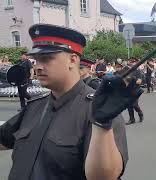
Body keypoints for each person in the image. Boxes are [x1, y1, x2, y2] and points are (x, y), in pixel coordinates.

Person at [0, 24, 135, 180]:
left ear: (72, 60)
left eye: (46, 58)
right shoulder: (34, 106)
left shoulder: (99, 110)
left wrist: (102, 125)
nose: (37, 67)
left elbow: (105, 176)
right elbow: (3, 139)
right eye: (36, 60)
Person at [125, 59, 144, 125]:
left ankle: (140, 113)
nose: (132, 64)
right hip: (128, 90)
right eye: (131, 62)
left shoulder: (138, 71)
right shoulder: (129, 71)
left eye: (134, 62)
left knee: (134, 104)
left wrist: (133, 78)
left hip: (136, 90)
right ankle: (131, 119)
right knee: (129, 105)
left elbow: (139, 81)